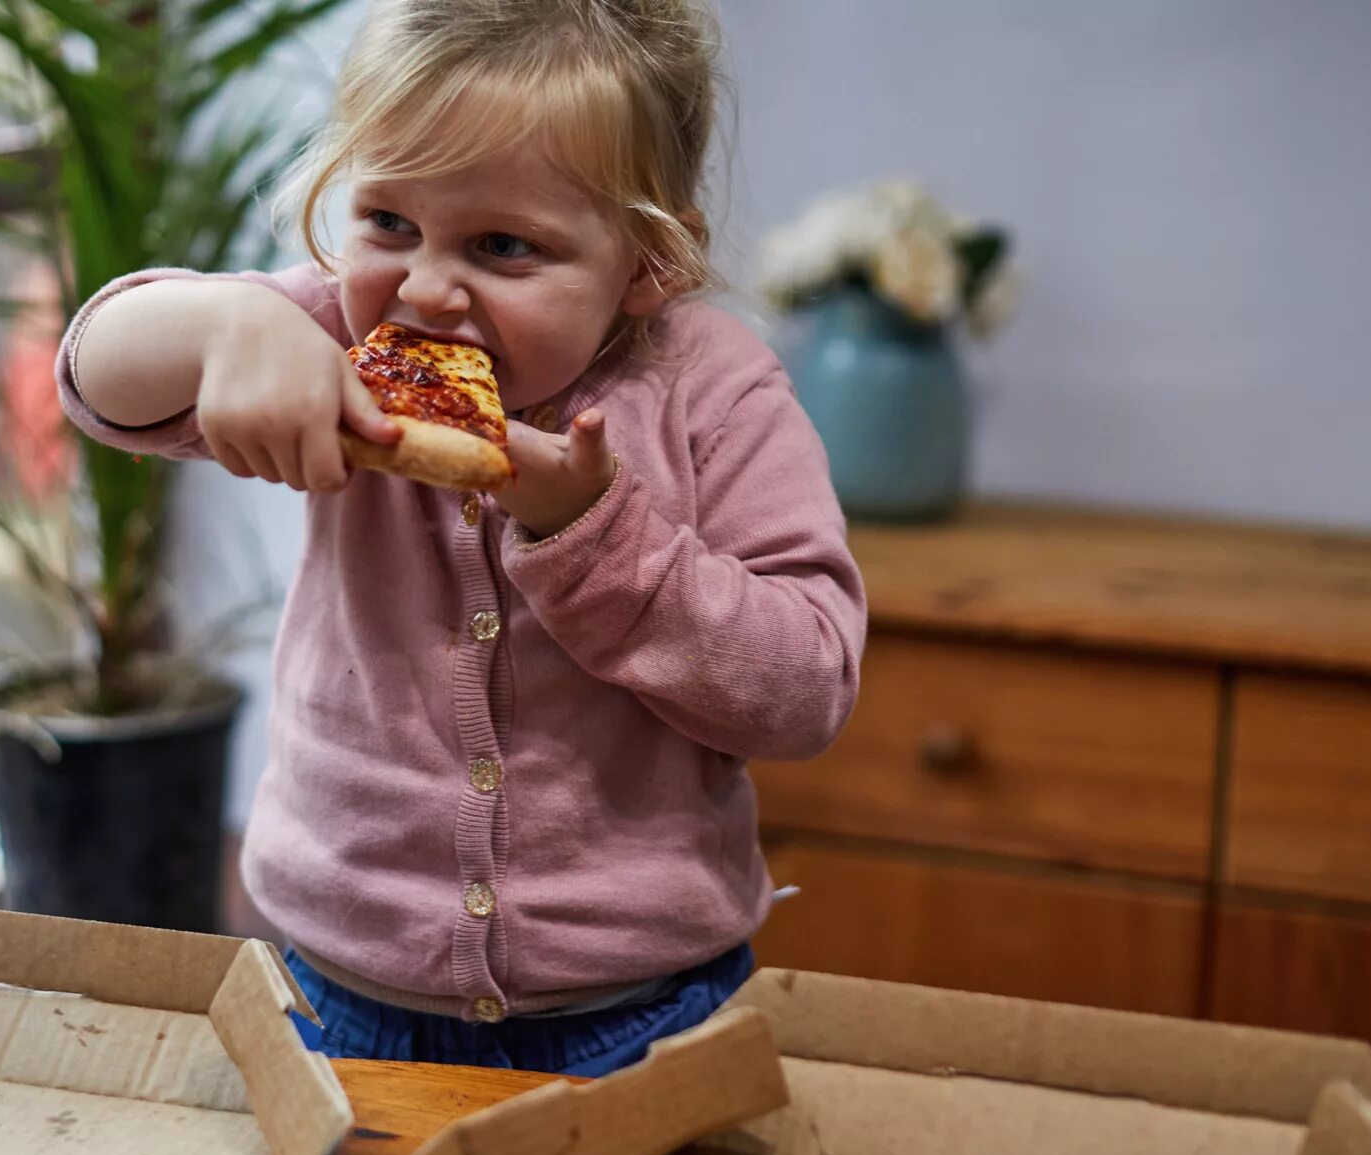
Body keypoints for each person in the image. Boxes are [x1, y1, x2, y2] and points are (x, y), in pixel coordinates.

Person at [57, 0, 867, 1076]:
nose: (428, 288)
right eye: (389, 223)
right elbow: (96, 379)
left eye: (501, 246)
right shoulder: (331, 337)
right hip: (337, 997)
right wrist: (224, 325)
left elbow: (805, 686)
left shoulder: (710, 393)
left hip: (643, 1016)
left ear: (647, 263)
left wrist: (586, 531)